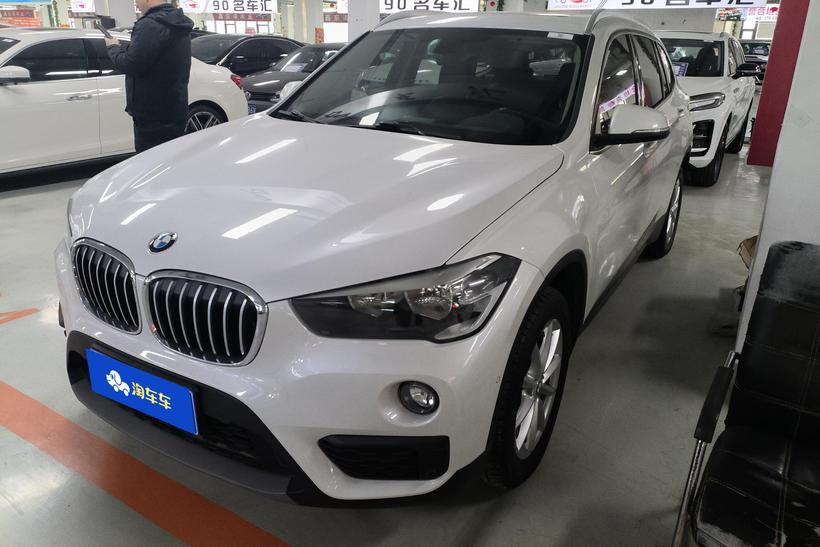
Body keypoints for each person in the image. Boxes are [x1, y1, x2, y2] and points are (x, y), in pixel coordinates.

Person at [104, 0, 194, 153]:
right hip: (174, 109)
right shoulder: (178, 24)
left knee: (150, 163)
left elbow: (131, 64)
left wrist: (113, 47)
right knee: (171, 159)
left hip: (151, 115)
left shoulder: (150, 25)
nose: (136, 4)